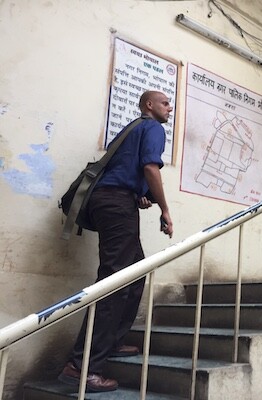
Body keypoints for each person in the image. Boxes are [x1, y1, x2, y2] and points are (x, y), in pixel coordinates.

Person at [58, 91, 174, 392]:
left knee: (134, 276)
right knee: (113, 281)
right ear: (149, 105)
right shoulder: (152, 128)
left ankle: (110, 343)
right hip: (114, 204)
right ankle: (82, 366)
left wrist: (138, 195)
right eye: (165, 103)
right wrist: (165, 209)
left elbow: (121, 172)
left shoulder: (130, 130)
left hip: (109, 201)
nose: (169, 108)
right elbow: (150, 168)